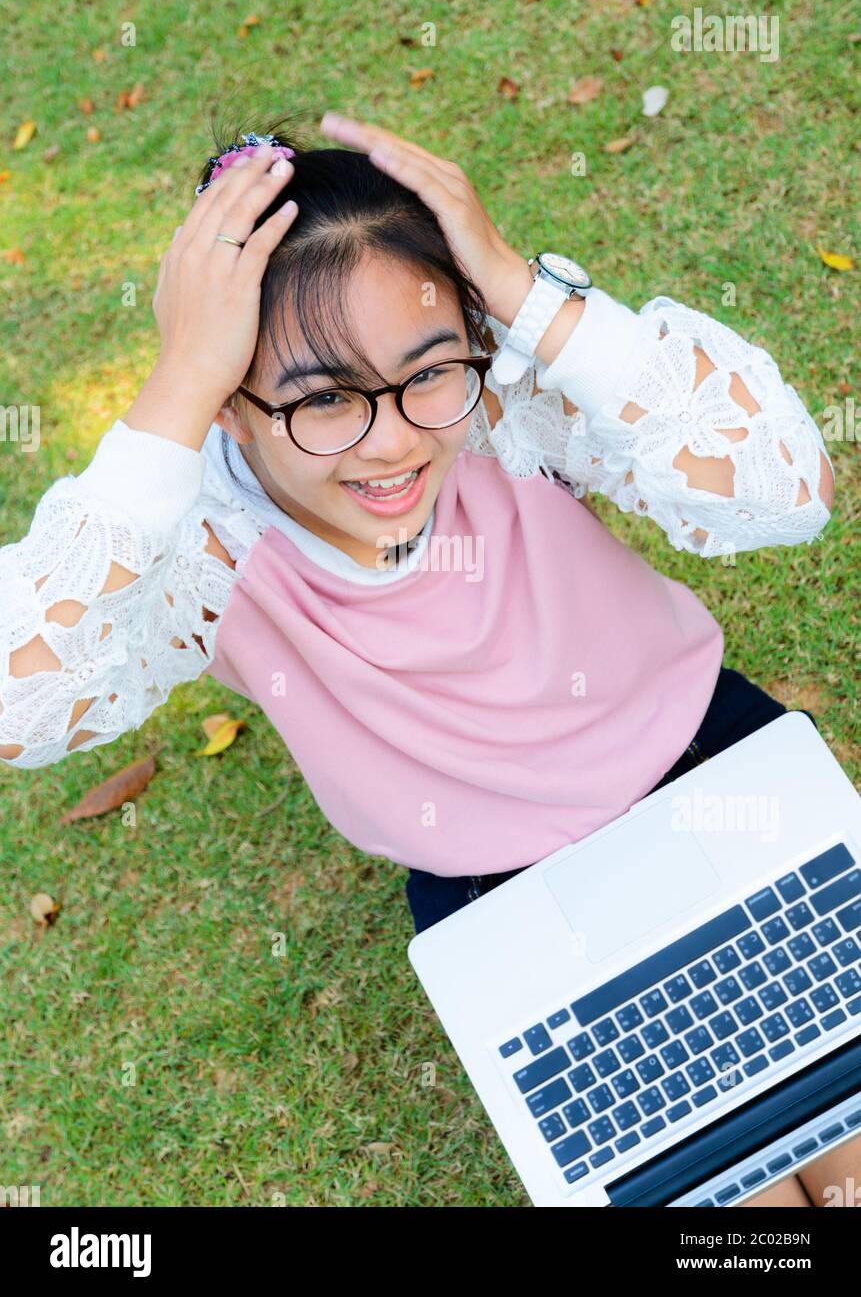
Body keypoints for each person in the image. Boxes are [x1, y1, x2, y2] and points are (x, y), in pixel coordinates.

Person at [0, 112, 848, 1207]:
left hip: (709, 764)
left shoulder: (501, 405)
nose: (394, 439)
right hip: (499, 893)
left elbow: (788, 489)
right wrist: (173, 391)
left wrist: (520, 291)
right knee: (735, 1211)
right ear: (232, 409)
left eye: (424, 372)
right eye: (320, 401)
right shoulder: (206, 540)